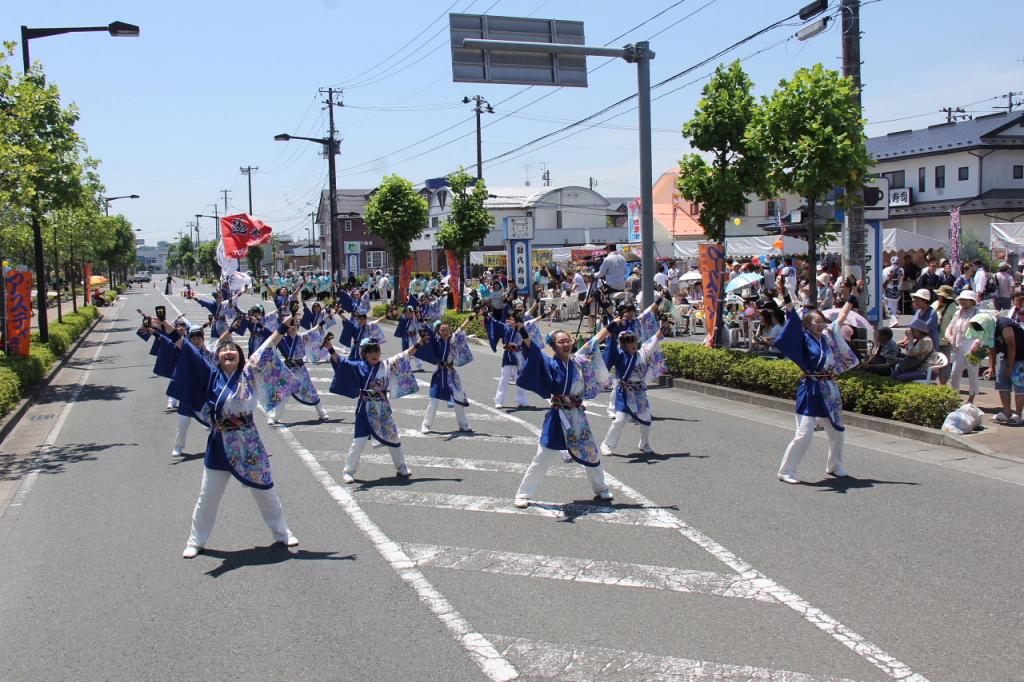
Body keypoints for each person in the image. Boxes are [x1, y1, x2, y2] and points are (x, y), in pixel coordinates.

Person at [175, 316, 303, 559]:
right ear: (217, 357)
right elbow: (188, 351)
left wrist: (283, 327)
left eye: (233, 349)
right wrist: (167, 329)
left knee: (265, 489)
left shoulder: (249, 373)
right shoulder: (210, 375)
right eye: (223, 350)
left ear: (240, 355)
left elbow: (267, 347)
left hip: (249, 441)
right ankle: (196, 540)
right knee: (208, 496)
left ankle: (282, 532)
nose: (228, 352)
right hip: (220, 443)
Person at [512, 325, 616, 508]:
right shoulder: (549, 362)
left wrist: (612, 324)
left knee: (591, 452)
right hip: (559, 415)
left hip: (577, 416)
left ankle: (601, 488)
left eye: (568, 340)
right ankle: (523, 494)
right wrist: (521, 330)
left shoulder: (579, 360)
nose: (566, 344)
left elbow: (594, 342)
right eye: (561, 342)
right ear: (553, 346)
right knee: (543, 455)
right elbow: (534, 350)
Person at [773, 298, 859, 484]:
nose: (820, 325)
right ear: (807, 324)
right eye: (816, 321)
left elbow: (841, 318)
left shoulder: (828, 337)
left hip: (829, 389)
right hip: (811, 388)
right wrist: (788, 302)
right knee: (804, 433)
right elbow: (793, 323)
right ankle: (786, 471)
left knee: (837, 431)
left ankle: (835, 465)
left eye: (822, 321)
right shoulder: (803, 338)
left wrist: (851, 298)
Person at [325, 336, 422, 483]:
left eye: (376, 350)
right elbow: (341, 362)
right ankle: (348, 471)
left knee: (393, 438)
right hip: (365, 408)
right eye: (369, 351)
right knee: (359, 441)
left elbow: (404, 356)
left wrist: (419, 344)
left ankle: (401, 467)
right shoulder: (358, 366)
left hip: (382, 407)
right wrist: (330, 349)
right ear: (364, 354)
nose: (374, 354)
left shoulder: (387, 365)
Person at [600, 321, 667, 457]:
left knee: (646, 419)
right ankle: (606, 444)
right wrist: (611, 333)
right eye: (629, 341)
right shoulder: (620, 355)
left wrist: (663, 327)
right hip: (624, 391)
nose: (633, 344)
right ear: (623, 344)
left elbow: (654, 339)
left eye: (634, 341)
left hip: (639, 391)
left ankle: (644, 443)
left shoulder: (642, 353)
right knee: (620, 419)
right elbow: (610, 352)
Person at [417, 316, 475, 433]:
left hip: (451, 374)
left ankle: (463, 424)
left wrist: (469, 319)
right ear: (439, 331)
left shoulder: (453, 341)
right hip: (440, 374)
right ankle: (426, 425)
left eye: (447, 330)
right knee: (434, 400)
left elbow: (460, 329)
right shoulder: (436, 342)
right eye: (442, 330)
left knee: (459, 398)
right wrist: (421, 321)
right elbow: (429, 331)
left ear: (450, 332)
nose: (444, 332)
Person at [970, 314, 1024, 424]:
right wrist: (991, 367)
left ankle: (1018, 415)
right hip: (1007, 355)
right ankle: (1006, 412)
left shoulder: (1004, 325)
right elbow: (992, 347)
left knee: (1018, 383)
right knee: (1001, 383)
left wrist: (1010, 366)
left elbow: (1012, 346)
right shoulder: (988, 329)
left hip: (1021, 356)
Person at [486, 304, 536, 408]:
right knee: (504, 379)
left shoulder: (522, 328)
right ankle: (499, 401)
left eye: (513, 319)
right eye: (510, 319)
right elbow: (494, 323)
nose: (510, 321)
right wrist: (486, 316)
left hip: (519, 357)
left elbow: (528, 338)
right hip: (508, 356)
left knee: (521, 380)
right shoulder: (505, 327)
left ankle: (522, 401)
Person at [946, 290, 981, 402]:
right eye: (961, 299)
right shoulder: (958, 313)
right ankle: (954, 397)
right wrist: (950, 337)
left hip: (973, 348)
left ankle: (971, 399)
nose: (962, 302)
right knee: (954, 373)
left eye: (965, 300)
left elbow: (981, 333)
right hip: (959, 347)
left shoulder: (977, 314)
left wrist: (977, 344)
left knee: (973, 374)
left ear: (972, 301)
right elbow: (949, 328)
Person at [881, 256, 904, 321]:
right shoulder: (901, 270)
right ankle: (893, 320)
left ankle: (893, 320)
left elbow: (883, 279)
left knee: (888, 306)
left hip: (888, 290)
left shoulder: (886, 269)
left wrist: (883, 287)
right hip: (897, 290)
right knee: (894, 306)